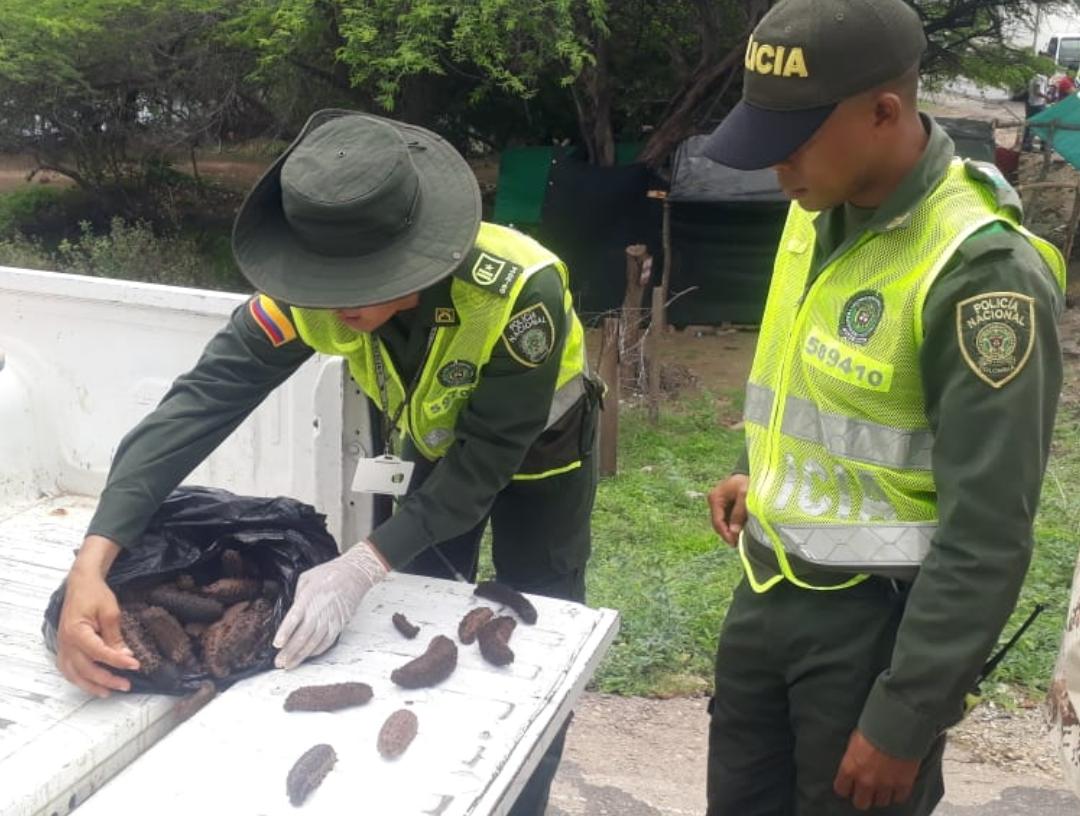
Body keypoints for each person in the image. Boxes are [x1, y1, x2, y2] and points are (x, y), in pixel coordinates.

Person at [52, 109, 600, 816]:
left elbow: (487, 462)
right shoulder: (307, 292)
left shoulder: (521, 292)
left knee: (539, 631)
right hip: (433, 450)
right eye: (322, 281)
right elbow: (193, 408)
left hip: (540, 462)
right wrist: (92, 563)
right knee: (422, 619)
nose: (334, 306)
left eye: (357, 283)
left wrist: (364, 562)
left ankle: (524, 795)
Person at [703, 0, 1065, 813]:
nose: (775, 168)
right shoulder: (815, 204)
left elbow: (989, 532)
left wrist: (906, 716)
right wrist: (753, 466)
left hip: (875, 632)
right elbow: (806, 366)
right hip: (764, 593)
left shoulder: (980, 274)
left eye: (791, 141)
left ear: (883, 112)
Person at [1025, 61, 1052, 150]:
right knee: (1042, 124)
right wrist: (1047, 97)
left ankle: (1026, 144)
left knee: (1029, 124)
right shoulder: (1040, 78)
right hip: (1037, 105)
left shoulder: (1034, 76)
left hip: (1031, 103)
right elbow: (1037, 92)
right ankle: (1043, 146)